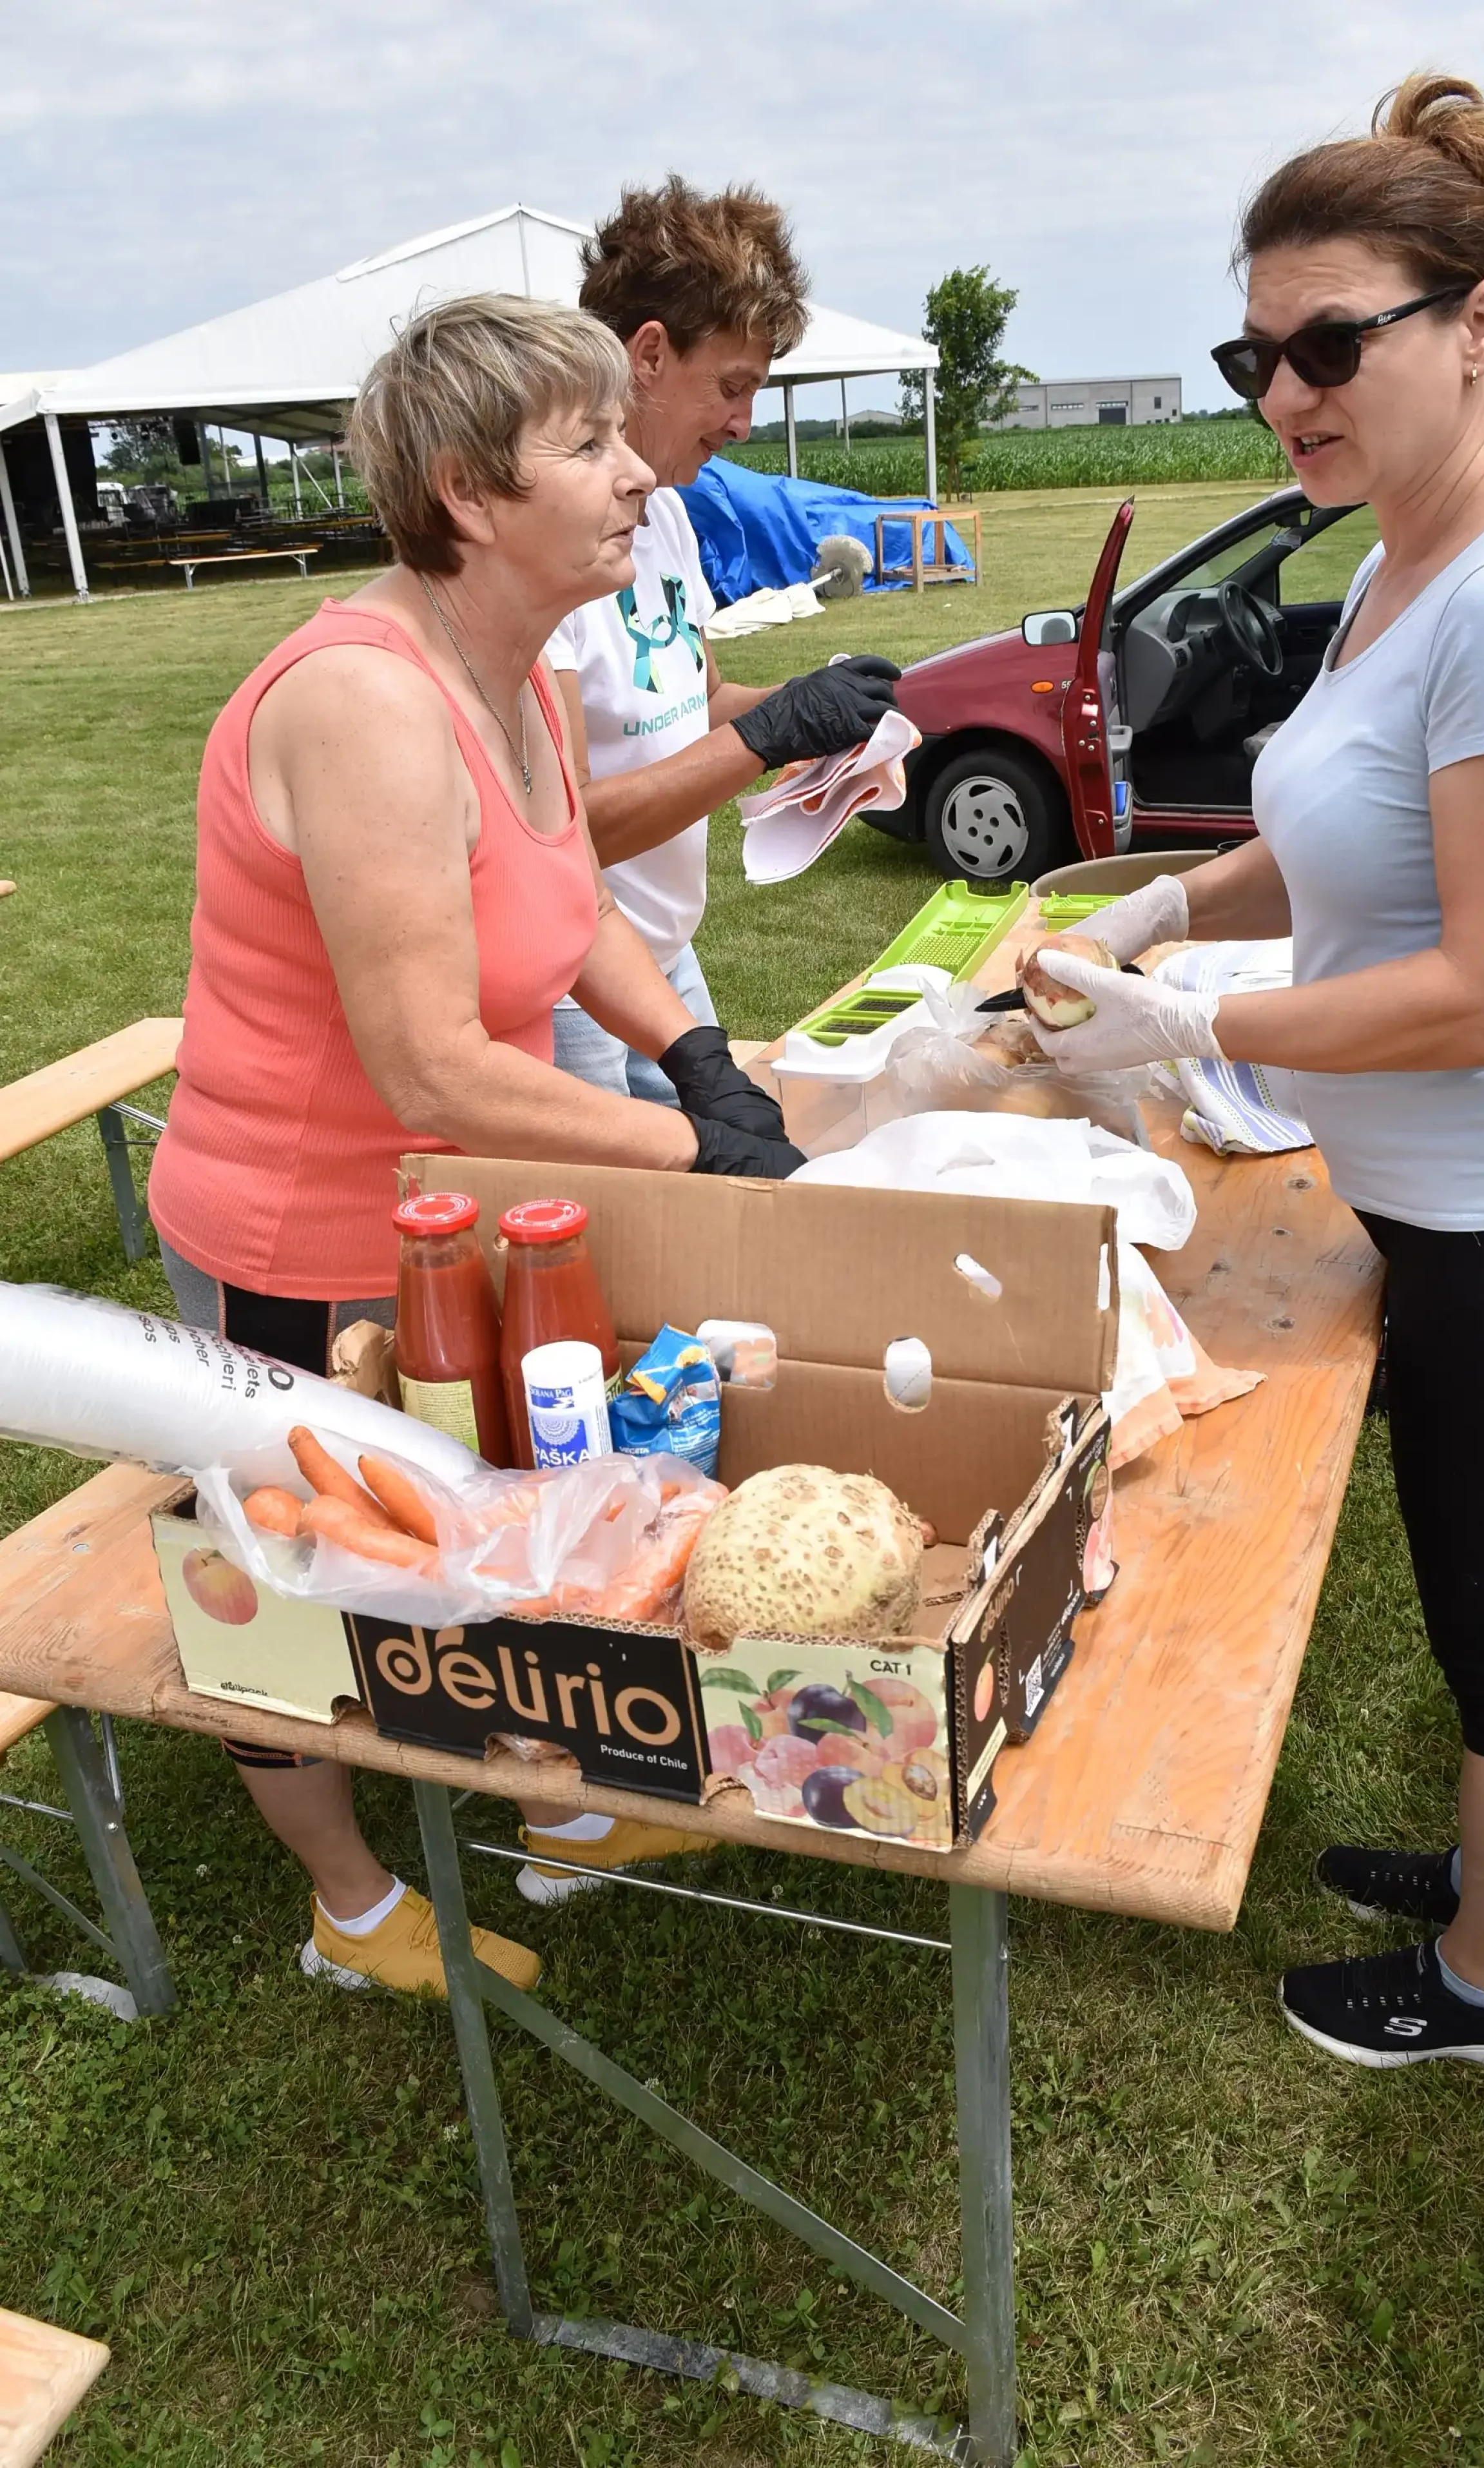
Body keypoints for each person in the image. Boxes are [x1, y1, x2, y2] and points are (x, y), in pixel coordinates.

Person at [1027, 74, 1484, 2070]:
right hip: (1452, 1203)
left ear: (1480, 324)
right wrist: (1159, 917)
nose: (1285, 390)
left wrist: (1201, 1026)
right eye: (1255, 351)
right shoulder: (1401, 554)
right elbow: (1334, 828)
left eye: (1329, 343)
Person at [146, 295, 802, 1998]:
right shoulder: (367, 700)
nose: (632, 477)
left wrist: (698, 1052)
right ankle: (350, 1906)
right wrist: (682, 1151)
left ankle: (554, 1803)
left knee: (507, 1506)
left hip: (458, 1213)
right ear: (464, 491)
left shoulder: (519, 679)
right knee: (286, 1568)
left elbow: (565, 910)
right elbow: (430, 1058)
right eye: (584, 444)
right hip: (295, 1234)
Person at [548, 175, 901, 1102]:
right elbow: (558, 831)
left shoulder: (666, 518)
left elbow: (692, 701)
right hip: (565, 980)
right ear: (650, 355)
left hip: (659, 946)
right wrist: (765, 737)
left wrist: (815, 709)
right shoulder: (544, 551)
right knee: (620, 1220)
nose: (744, 423)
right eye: (733, 386)